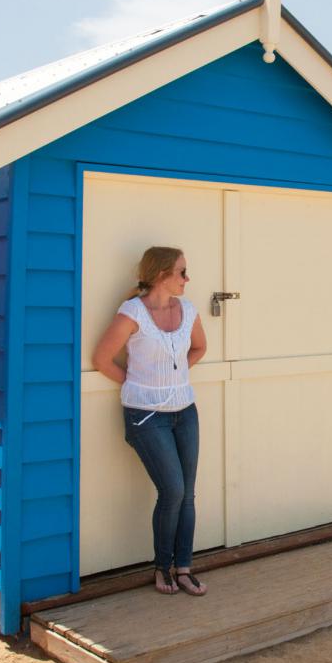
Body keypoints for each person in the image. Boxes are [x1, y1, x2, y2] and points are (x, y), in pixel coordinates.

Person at [92, 246, 208, 596]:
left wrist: (173, 377)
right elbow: (101, 359)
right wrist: (137, 384)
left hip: (184, 412)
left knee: (187, 494)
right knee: (172, 490)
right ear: (161, 275)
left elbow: (199, 348)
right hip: (146, 416)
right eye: (182, 272)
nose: (187, 279)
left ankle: (184, 567)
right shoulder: (133, 313)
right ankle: (162, 567)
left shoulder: (187, 310)